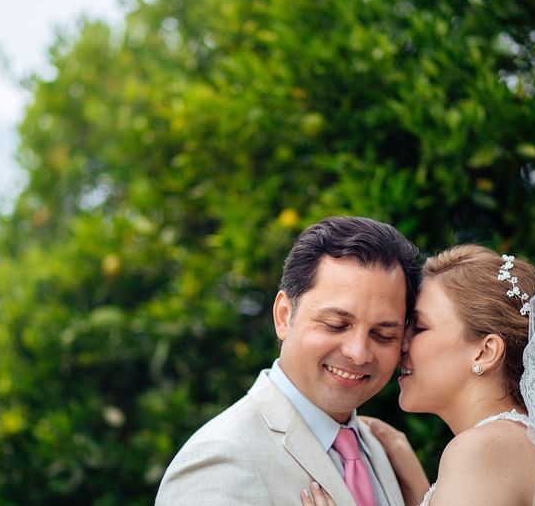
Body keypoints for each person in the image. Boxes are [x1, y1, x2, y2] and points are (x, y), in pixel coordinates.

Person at [300, 245, 535, 506]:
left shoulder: (482, 450)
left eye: (420, 328)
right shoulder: (522, 444)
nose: (401, 344)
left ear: (485, 351)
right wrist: (413, 478)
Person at [156, 216, 420, 505]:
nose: (358, 353)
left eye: (383, 334)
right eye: (335, 324)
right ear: (284, 315)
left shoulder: (379, 449)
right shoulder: (219, 461)